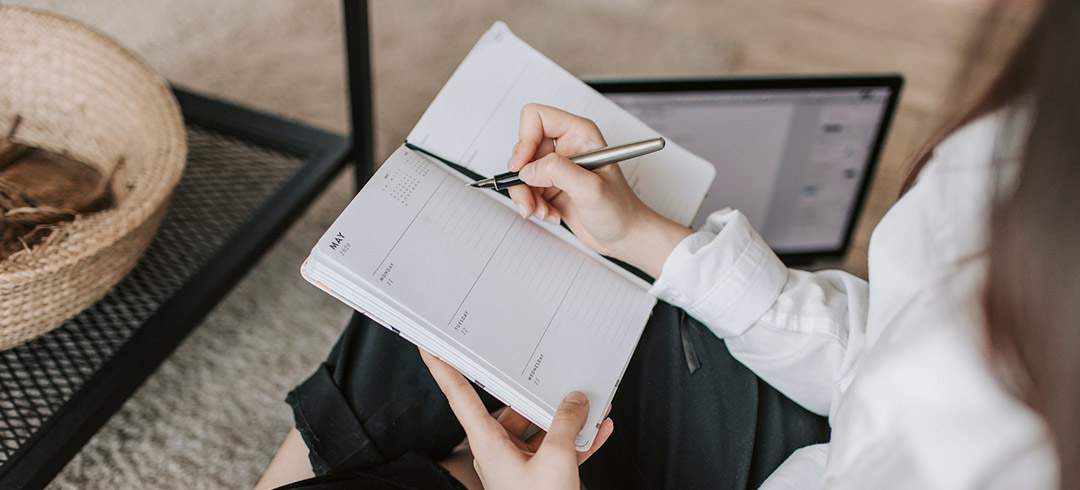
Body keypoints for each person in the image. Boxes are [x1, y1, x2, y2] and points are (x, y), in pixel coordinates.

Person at [257, 0, 1077, 487]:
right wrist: (650, 238)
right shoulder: (1026, 144)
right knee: (482, 260)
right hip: (828, 443)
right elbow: (883, 353)